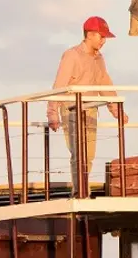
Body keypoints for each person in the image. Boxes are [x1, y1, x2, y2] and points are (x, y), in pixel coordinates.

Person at [46, 16, 128, 194]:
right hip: (71, 109)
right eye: (101, 36)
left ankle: (82, 190)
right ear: (90, 35)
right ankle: (79, 192)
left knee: (89, 155)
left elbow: (104, 84)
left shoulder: (99, 59)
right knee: (79, 153)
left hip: (90, 109)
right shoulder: (72, 55)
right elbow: (59, 85)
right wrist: (52, 113)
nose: (104, 41)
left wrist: (116, 110)